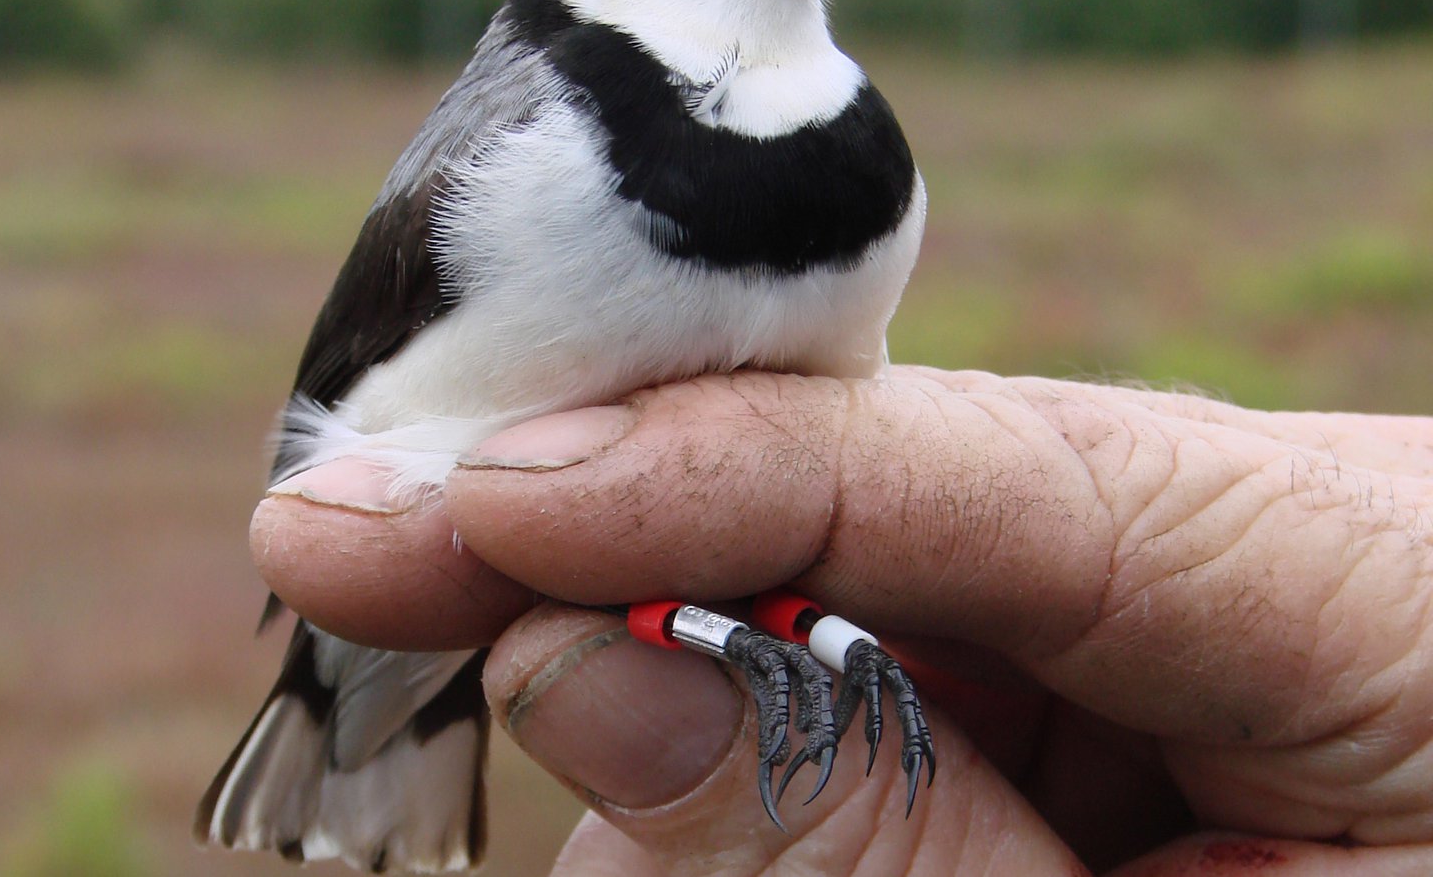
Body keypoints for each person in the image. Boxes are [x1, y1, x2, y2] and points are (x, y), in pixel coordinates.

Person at [249, 366, 1433, 875]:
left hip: (667, 548)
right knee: (620, 585)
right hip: (504, 538)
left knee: (668, 565)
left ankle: (799, 645)